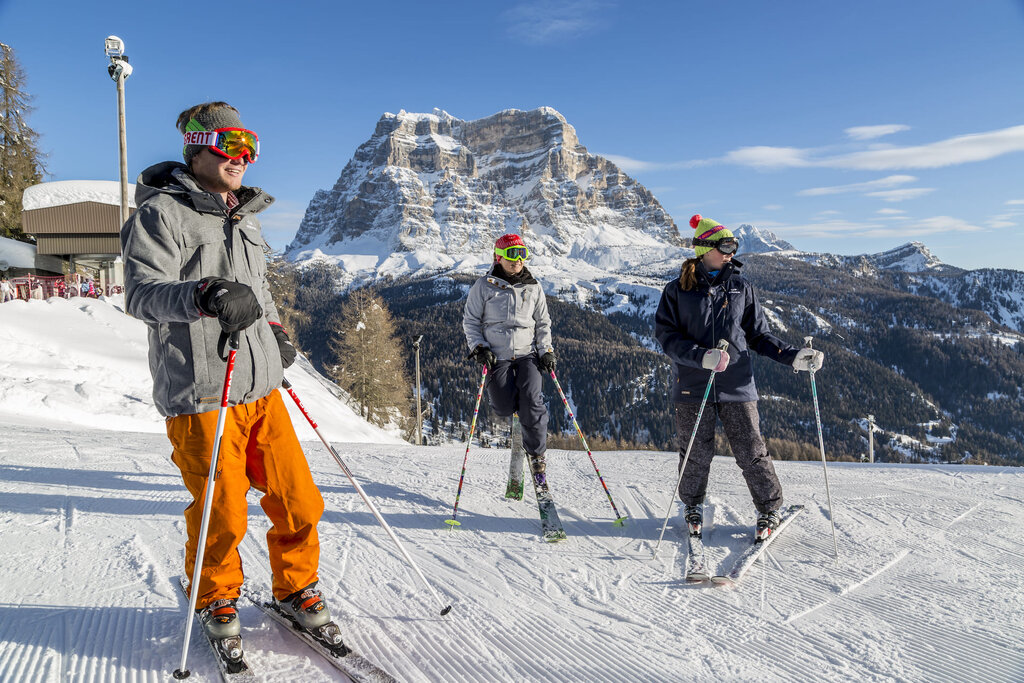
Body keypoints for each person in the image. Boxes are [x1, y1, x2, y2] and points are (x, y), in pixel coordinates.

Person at [119, 102, 337, 654]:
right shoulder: (160, 215)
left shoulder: (245, 215)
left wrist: (275, 329)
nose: (243, 156)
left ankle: (297, 589)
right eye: (231, 143)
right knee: (224, 510)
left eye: (251, 145)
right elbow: (142, 296)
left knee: (298, 499)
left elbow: (256, 291)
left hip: (260, 387)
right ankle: (217, 597)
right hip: (202, 390)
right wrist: (203, 293)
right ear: (198, 144)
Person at [654, 214, 824, 542]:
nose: (731, 252)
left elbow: (758, 335)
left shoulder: (740, 286)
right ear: (704, 248)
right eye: (725, 246)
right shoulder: (677, 291)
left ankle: (769, 507)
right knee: (693, 451)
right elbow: (666, 337)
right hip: (692, 383)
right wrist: (701, 356)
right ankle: (692, 505)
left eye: (734, 245)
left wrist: (792, 357)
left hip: (736, 382)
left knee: (750, 448)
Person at [462, 233, 556, 495]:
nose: (518, 261)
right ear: (498, 257)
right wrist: (479, 347)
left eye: (523, 255)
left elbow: (543, 323)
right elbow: (470, 321)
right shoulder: (484, 286)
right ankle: (519, 408)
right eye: (512, 255)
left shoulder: (534, 287)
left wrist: (546, 350)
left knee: (532, 399)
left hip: (527, 353)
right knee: (503, 406)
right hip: (497, 354)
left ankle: (537, 457)